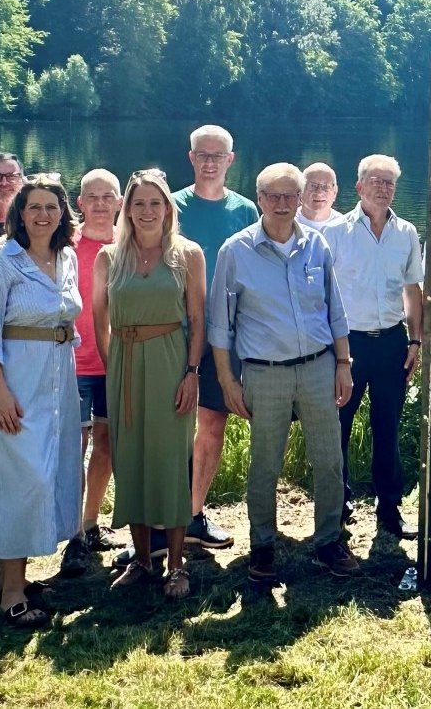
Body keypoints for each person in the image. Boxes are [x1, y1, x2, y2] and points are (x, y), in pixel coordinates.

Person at [210, 163, 361, 583]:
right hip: (265, 374)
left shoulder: (317, 245)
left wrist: (344, 364)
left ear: (300, 198)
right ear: (259, 199)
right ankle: (262, 545)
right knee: (265, 464)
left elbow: (335, 311)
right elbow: (220, 325)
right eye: (272, 196)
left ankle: (329, 541)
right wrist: (227, 380)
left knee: (329, 460)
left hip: (318, 368)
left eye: (289, 196)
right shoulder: (235, 251)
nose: (281, 204)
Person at [0, 174, 85, 628]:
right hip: (14, 384)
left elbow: (65, 320)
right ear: (19, 213)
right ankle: (11, 590)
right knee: (22, 479)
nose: (43, 215)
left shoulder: (67, 257)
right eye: (34, 206)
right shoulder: (1, 263)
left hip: (57, 382)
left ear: (62, 214)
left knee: (52, 474)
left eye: (51, 207)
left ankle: (24, 574)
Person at [93, 169, 205, 598]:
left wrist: (191, 373)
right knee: (131, 459)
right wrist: (113, 366)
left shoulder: (187, 254)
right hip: (124, 366)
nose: (146, 211)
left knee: (170, 461)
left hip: (170, 363)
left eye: (155, 203)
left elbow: (197, 320)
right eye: (138, 203)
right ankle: (142, 560)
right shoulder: (109, 258)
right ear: (126, 209)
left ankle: (176, 565)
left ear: (168, 209)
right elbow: (100, 319)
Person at [322, 154, 426, 541]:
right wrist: (334, 351)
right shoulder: (335, 231)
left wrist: (415, 340)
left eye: (389, 183)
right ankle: (338, 504)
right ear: (359, 186)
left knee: (388, 428)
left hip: (392, 342)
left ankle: (389, 510)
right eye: (376, 181)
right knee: (339, 426)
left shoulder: (406, 232)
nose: (383, 188)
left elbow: (413, 290)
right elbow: (322, 292)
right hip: (348, 344)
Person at [172, 125, 259, 554]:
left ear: (231, 160)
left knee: (211, 424)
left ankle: (192, 514)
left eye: (218, 155)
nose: (210, 162)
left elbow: (256, 271)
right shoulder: (170, 206)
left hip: (224, 335)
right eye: (202, 155)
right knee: (169, 428)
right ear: (191, 158)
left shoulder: (246, 210)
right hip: (173, 334)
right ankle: (160, 517)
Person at [70, 170, 120, 563]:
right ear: (80, 203)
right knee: (75, 448)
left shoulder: (131, 244)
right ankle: (72, 534)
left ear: (120, 202)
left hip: (117, 364)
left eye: (108, 197)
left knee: (106, 446)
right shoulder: (65, 245)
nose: (100, 204)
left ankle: (90, 524)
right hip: (73, 364)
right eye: (93, 197)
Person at [298, 162, 345, 230]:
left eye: (325, 186)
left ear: (335, 192)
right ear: (301, 191)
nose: (319, 192)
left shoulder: (344, 227)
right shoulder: (287, 223)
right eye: (313, 186)